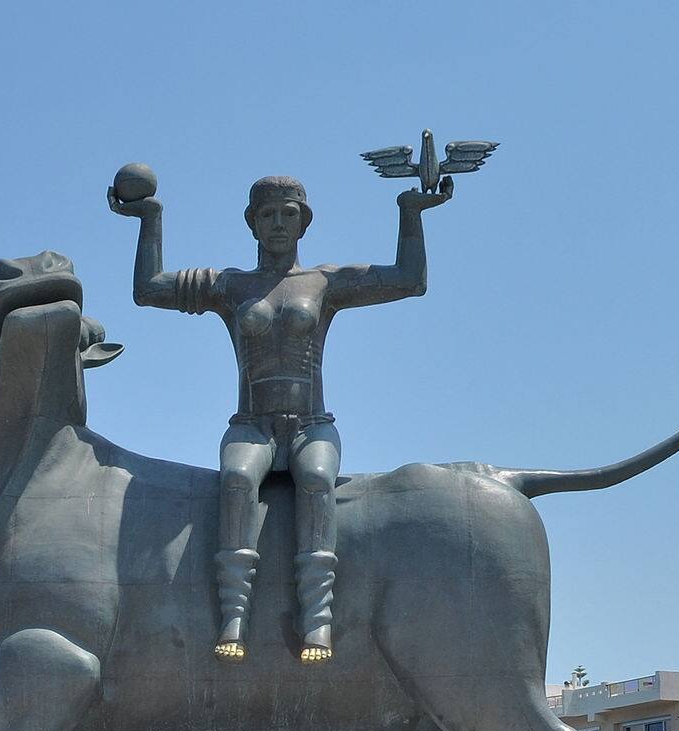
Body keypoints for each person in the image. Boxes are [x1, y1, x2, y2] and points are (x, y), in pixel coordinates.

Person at [111, 170, 451, 661]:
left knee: (315, 478)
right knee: (235, 477)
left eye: (287, 214)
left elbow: (408, 281)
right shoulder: (229, 286)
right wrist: (150, 219)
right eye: (266, 215)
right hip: (252, 426)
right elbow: (149, 289)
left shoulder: (325, 283)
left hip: (312, 426)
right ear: (251, 224)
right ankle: (233, 616)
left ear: (303, 222)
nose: (277, 224)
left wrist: (410, 214)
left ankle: (318, 621)